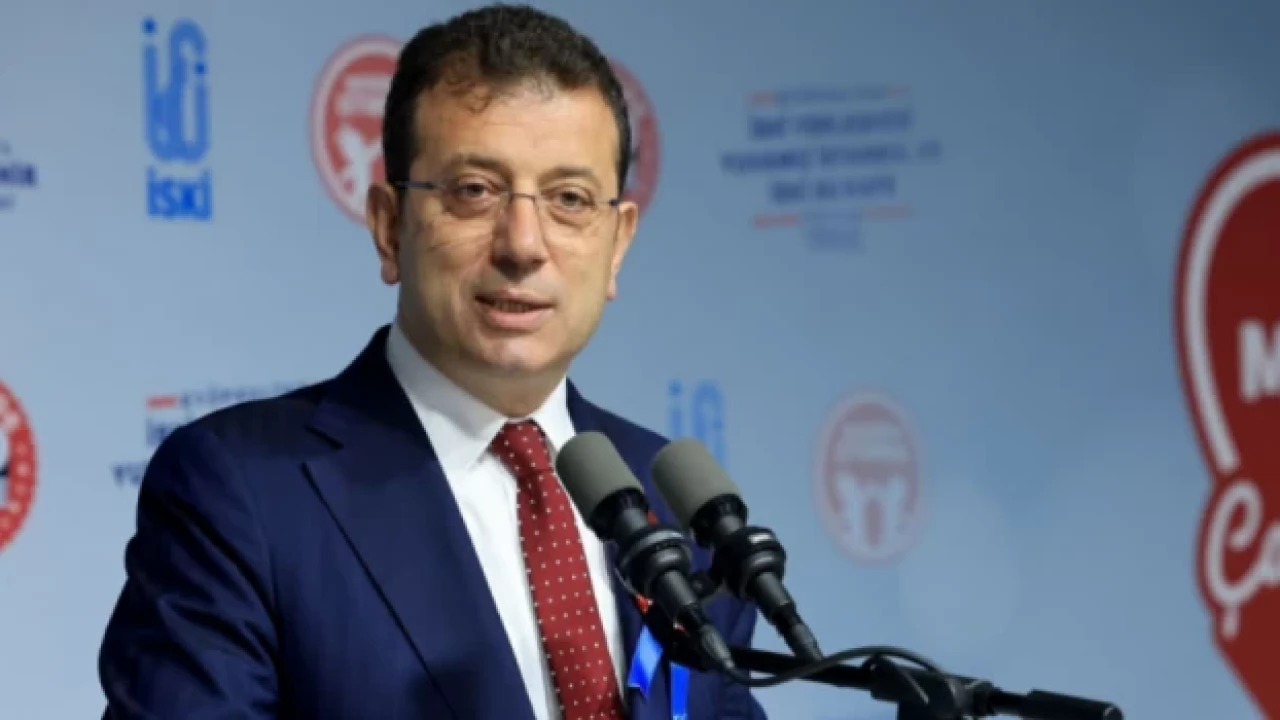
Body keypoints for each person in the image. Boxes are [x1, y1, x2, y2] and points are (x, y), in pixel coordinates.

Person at [97, 4, 768, 719]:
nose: (523, 244)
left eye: (569, 199)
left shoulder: (670, 506)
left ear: (617, 244)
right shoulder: (243, 494)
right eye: (474, 191)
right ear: (390, 227)